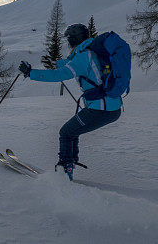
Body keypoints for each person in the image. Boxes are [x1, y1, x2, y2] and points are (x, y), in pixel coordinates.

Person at [18, 23, 122, 180]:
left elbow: (59, 75)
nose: (67, 44)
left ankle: (65, 172)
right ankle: (69, 165)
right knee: (72, 131)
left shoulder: (83, 56)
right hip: (111, 107)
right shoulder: (91, 51)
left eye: (68, 40)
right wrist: (57, 63)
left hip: (101, 109)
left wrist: (30, 73)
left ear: (73, 40)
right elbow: (73, 63)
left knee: (66, 133)